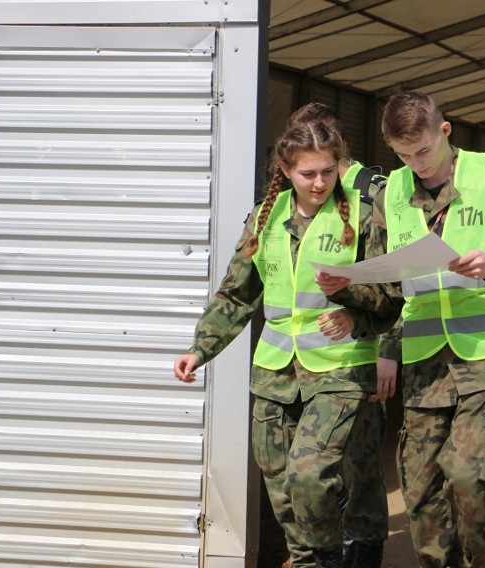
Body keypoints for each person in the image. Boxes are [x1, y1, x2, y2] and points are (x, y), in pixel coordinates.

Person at [320, 90, 485, 567]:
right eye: (404, 155)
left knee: (469, 478)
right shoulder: (392, 194)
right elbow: (388, 293)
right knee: (421, 492)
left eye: (423, 150)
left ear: (444, 131)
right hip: (424, 365)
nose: (417, 163)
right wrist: (349, 293)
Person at [174, 118, 401, 568]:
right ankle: (307, 560)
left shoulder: (362, 214)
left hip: (339, 371)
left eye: (328, 171)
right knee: (280, 487)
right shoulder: (265, 217)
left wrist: (352, 307)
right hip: (275, 373)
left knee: (309, 476)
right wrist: (199, 348)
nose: (319, 183)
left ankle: (330, 556)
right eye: (308, 173)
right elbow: (236, 294)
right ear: (285, 168)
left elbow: (392, 295)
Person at [284, 102, 393, 568]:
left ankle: (362, 551)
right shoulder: (290, 201)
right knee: (320, 468)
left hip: (362, 354)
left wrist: (390, 348)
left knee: (362, 463)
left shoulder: (375, 191)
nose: (317, 178)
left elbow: (401, 276)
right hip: (305, 365)